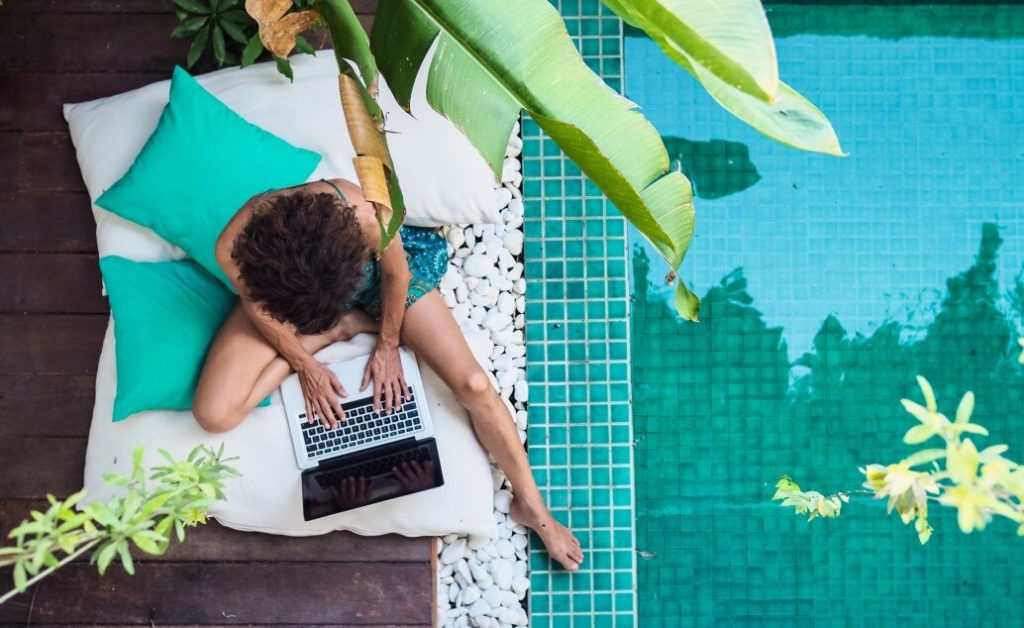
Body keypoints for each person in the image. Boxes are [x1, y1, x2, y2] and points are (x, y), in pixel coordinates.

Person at [192, 178, 584, 571]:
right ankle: (340, 328)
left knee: (474, 384)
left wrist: (387, 345)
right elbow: (259, 308)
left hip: (375, 283)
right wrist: (304, 362)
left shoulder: (362, 211)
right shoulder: (235, 248)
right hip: (299, 298)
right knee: (214, 414)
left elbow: (397, 276)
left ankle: (532, 507)